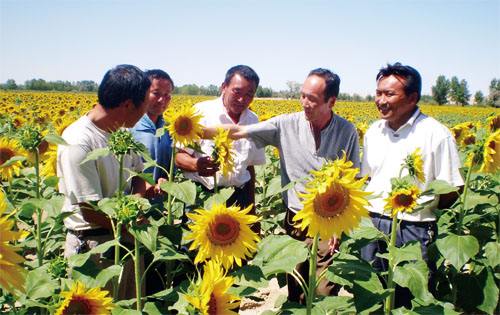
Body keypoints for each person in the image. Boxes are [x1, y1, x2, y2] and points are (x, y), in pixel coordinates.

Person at [205, 68, 360, 303]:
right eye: (303, 95)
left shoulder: (346, 130)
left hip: (331, 222)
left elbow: (352, 177)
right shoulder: (285, 125)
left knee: (325, 291)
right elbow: (238, 131)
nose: (305, 103)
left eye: (313, 99)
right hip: (297, 219)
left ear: (331, 101)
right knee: (297, 289)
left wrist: (340, 226)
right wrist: (193, 130)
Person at [360, 62, 464, 308]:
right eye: (378, 93)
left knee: (410, 297)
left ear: (412, 98)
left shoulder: (435, 134)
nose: (381, 100)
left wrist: (419, 206)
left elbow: (450, 189)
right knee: (370, 293)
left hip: (413, 228)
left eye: (389, 94)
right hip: (373, 224)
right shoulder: (374, 131)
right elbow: (367, 178)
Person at [57, 64, 157, 298]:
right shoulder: (79, 142)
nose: (146, 111)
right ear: (128, 105)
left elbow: (138, 177)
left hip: (126, 239)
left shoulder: (121, 134)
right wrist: (138, 227)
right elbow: (90, 210)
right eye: (145, 104)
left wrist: (137, 207)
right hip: (94, 250)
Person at [175, 65, 266, 224]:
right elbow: (179, 156)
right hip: (202, 196)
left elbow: (249, 168)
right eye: (237, 92)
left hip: (238, 197)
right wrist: (196, 164)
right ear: (223, 87)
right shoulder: (200, 113)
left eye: (249, 95)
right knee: (193, 246)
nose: (242, 99)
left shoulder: (253, 121)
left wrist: (252, 210)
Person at [131, 69, 174, 206]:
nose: (162, 100)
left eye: (167, 95)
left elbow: (168, 167)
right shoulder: (129, 127)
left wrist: (165, 181)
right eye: (156, 93)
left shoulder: (168, 130)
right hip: (132, 208)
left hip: (160, 207)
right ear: (143, 92)